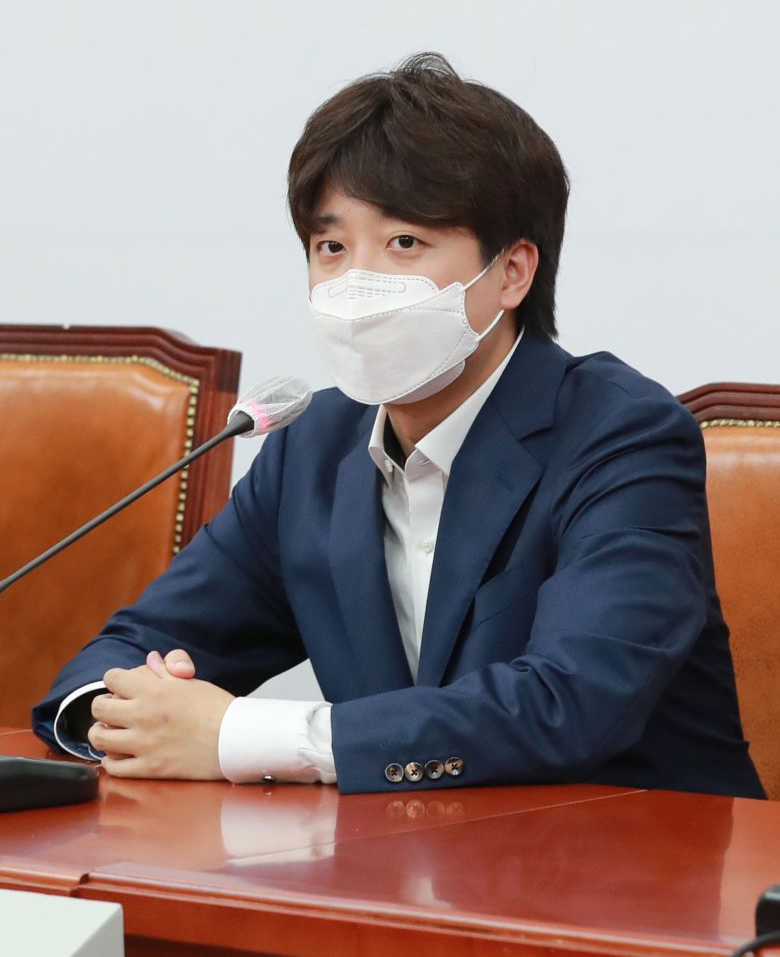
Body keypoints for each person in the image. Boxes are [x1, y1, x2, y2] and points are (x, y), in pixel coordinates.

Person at [33, 53, 764, 798]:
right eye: (331, 247)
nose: (357, 282)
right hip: (401, 849)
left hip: (627, 853)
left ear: (512, 272)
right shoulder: (311, 445)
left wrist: (238, 736)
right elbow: (136, 645)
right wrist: (124, 714)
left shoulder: (623, 436)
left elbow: (571, 701)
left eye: (404, 243)